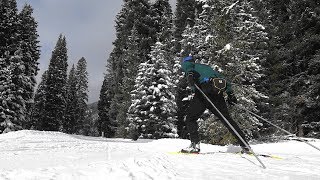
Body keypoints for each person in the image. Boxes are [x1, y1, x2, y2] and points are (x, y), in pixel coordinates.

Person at [180, 55, 250, 153]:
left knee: (190, 118)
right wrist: (230, 94)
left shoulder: (190, 65)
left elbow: (188, 66)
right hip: (217, 93)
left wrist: (190, 73)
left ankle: (195, 146)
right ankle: (245, 145)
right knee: (227, 119)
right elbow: (223, 79)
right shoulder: (207, 68)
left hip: (203, 92)